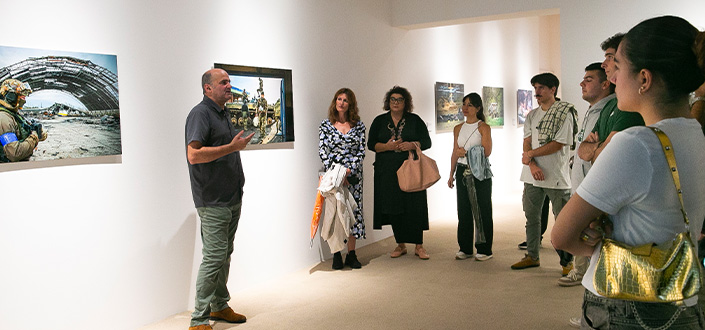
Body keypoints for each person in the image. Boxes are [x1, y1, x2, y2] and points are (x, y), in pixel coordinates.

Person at [553, 15, 705, 329]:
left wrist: (592, 242)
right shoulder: (696, 132)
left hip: (628, 303)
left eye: (618, 66)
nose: (613, 78)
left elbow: (562, 235)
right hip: (682, 294)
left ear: (644, 79)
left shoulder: (636, 143)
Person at [185, 68, 255, 330]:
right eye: (223, 82)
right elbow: (193, 155)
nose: (229, 86)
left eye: (229, 82)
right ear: (208, 88)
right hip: (212, 200)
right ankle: (198, 319)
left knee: (224, 255)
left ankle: (219, 305)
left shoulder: (223, 113)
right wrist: (232, 148)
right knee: (214, 257)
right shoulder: (200, 114)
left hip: (231, 196)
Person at [511, 73, 576, 276]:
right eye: (535, 88)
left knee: (563, 221)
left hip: (556, 175)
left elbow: (558, 144)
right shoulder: (532, 115)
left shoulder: (564, 113)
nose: (537, 93)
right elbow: (527, 141)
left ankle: (567, 263)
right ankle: (532, 255)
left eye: (541, 88)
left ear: (553, 89)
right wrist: (531, 164)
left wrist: (530, 155)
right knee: (532, 217)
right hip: (532, 175)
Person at [558, 62, 615, 291]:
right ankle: (580, 273)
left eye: (589, 79)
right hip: (582, 186)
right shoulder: (594, 110)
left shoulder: (610, 110)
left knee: (579, 236)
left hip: (594, 190)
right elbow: (584, 149)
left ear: (605, 84)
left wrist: (590, 148)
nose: (582, 83)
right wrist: (588, 148)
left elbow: (597, 151)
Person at [368, 86, 432, 260]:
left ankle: (419, 245)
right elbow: (371, 144)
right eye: (393, 100)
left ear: (406, 102)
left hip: (411, 169)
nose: (395, 103)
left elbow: (427, 141)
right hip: (387, 170)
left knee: (415, 206)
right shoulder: (380, 121)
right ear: (388, 102)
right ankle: (401, 244)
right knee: (393, 207)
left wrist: (412, 145)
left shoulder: (414, 120)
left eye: (399, 100)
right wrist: (387, 146)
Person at [577, 33, 645, 164]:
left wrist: (596, 150)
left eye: (609, 57)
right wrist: (599, 147)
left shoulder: (629, 105)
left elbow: (608, 157)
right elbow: (582, 151)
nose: (603, 64)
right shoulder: (611, 104)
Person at [318, 88, 366, 269]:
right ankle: (336, 253)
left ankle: (351, 254)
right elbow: (323, 151)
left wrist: (348, 171)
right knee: (335, 213)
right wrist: (338, 173)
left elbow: (361, 152)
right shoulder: (325, 125)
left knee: (353, 213)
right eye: (339, 99)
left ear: (350, 104)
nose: (341, 103)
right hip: (332, 177)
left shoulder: (359, 126)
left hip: (353, 177)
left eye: (345, 100)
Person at [447, 92, 494, 261]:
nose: (465, 108)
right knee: (464, 210)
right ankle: (465, 247)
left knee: (482, 210)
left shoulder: (483, 127)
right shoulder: (458, 128)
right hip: (461, 171)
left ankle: (484, 248)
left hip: (479, 172)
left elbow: (487, 151)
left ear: (478, 108)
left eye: (470, 105)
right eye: (464, 104)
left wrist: (465, 152)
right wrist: (451, 174)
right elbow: (454, 152)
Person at [0, 78, 47, 162]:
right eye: (22, 94)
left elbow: (25, 131)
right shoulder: (3, 118)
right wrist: (34, 137)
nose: (24, 98)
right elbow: (14, 153)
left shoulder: (14, 114)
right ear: (11, 96)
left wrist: (40, 133)